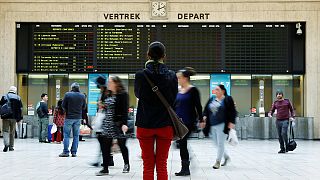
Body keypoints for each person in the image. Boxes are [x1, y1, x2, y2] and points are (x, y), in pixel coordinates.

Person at [135, 41, 178, 180]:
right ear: (164, 56)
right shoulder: (171, 76)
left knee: (147, 164)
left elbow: (137, 94)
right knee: (162, 163)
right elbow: (173, 98)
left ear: (148, 55)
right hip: (165, 124)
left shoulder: (141, 75)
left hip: (145, 124)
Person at [95, 76, 130, 176]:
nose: (108, 84)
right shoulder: (108, 93)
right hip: (107, 123)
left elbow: (124, 110)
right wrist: (102, 105)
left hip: (118, 123)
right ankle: (105, 168)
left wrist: (124, 123)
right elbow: (107, 107)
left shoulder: (123, 94)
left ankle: (126, 164)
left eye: (110, 82)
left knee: (122, 145)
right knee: (105, 146)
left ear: (116, 83)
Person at [174, 67, 203, 176]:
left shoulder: (193, 90)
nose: (178, 80)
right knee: (181, 144)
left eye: (179, 78)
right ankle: (186, 165)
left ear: (185, 78)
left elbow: (198, 105)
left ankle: (185, 168)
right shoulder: (178, 91)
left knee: (182, 143)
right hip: (179, 122)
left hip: (188, 122)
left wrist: (200, 119)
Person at [201, 84, 236, 169]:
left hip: (222, 125)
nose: (215, 91)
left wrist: (232, 122)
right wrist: (204, 117)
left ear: (223, 91)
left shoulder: (227, 99)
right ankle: (226, 156)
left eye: (217, 89)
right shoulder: (212, 99)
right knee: (216, 143)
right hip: (212, 125)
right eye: (215, 90)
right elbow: (206, 110)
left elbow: (233, 111)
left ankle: (218, 162)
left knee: (220, 143)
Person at [59, 82, 86, 157]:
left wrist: (67, 110)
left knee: (66, 135)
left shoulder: (67, 94)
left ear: (72, 88)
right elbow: (84, 107)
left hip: (69, 117)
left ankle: (65, 152)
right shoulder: (82, 96)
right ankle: (74, 152)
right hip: (78, 118)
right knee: (76, 136)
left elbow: (63, 105)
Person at [0, 86, 23, 152]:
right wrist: (20, 118)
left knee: (5, 131)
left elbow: (1, 107)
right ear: (15, 91)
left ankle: (6, 144)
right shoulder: (18, 97)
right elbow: (20, 109)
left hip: (6, 117)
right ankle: (11, 147)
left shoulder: (4, 97)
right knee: (12, 132)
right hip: (14, 118)